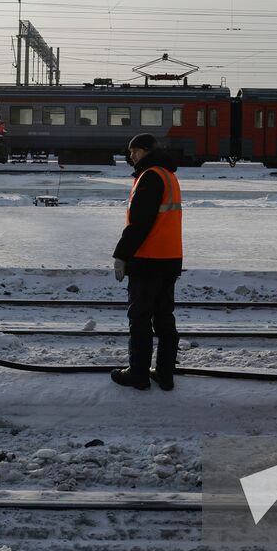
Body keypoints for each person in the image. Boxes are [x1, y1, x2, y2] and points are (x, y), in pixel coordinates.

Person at [111, 133, 182, 391]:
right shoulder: (168, 175)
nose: (131, 156)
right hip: (169, 258)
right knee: (164, 318)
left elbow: (140, 224)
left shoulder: (150, 176)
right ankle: (164, 373)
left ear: (147, 151)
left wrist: (121, 255)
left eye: (135, 151)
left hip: (148, 259)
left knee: (140, 319)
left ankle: (138, 374)